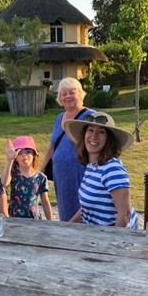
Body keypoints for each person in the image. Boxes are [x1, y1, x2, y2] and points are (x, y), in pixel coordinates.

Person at [63, 112, 138, 228]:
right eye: (90, 130)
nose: (94, 136)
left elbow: (125, 214)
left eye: (101, 132)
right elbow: (86, 208)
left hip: (109, 240)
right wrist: (66, 227)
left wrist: (112, 242)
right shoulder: (92, 166)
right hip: (92, 235)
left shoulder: (112, 169)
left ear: (109, 139)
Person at [40, 77, 94, 221]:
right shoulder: (59, 117)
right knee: (65, 208)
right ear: (60, 98)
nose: (68, 96)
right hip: (61, 174)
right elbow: (52, 144)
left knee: (82, 208)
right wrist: (44, 167)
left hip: (81, 171)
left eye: (72, 92)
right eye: (64, 93)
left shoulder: (90, 116)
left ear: (80, 94)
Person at [2, 136, 53, 220]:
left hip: (34, 219)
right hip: (14, 219)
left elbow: (45, 202)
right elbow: (4, 182)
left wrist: (50, 222)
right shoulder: (13, 173)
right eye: (19, 153)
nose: (24, 155)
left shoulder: (41, 177)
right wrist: (9, 160)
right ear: (16, 158)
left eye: (28, 151)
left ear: (34, 154)